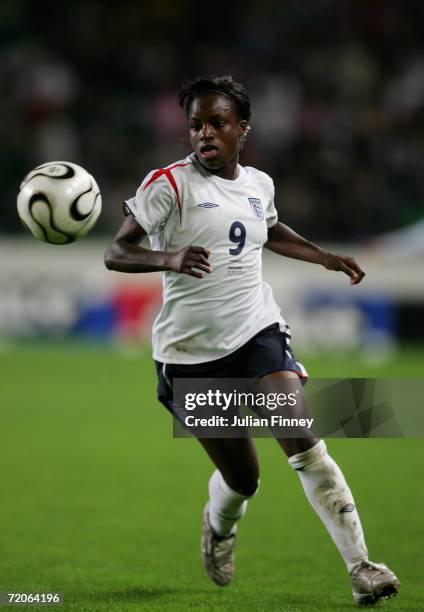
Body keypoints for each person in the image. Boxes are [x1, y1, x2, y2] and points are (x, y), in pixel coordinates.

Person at [104, 75, 399, 605]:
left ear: (242, 128)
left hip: (256, 333)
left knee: (302, 437)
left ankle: (362, 566)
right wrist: (168, 257)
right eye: (195, 125)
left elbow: (270, 229)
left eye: (217, 122)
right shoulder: (168, 185)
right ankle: (218, 526)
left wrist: (323, 255)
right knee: (243, 479)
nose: (204, 134)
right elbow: (116, 252)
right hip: (189, 357)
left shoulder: (259, 184)